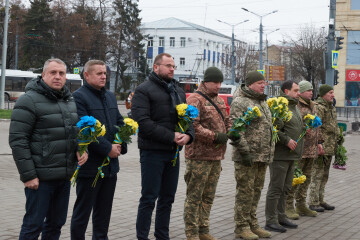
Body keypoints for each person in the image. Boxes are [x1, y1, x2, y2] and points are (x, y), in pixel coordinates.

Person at [9, 58, 88, 239]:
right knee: (33, 226)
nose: (57, 77)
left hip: (64, 177)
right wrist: (29, 175)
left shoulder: (69, 100)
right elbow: (18, 140)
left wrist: (81, 149)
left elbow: (73, 133)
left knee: (55, 225)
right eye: (53, 73)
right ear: (43, 75)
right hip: (40, 179)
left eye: (61, 73)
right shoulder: (28, 100)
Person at [131, 53, 194, 240]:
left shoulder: (178, 90)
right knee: (149, 198)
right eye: (168, 66)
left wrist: (189, 135)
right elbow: (142, 122)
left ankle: (162, 235)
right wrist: (171, 136)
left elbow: (188, 118)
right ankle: (142, 236)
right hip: (152, 152)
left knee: (168, 198)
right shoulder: (143, 90)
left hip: (173, 153)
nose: (172, 69)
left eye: (173, 66)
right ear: (156, 67)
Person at [70, 60, 127, 239]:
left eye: (105, 73)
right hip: (90, 167)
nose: (104, 76)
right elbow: (83, 129)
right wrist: (107, 148)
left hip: (110, 166)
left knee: (103, 213)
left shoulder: (109, 96)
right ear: (86, 75)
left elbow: (119, 122)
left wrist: (119, 145)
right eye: (99, 73)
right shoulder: (78, 97)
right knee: (83, 212)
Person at [183, 67, 232, 240]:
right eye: (215, 82)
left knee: (208, 196)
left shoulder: (218, 100)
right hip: (198, 157)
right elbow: (193, 126)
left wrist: (231, 131)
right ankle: (192, 233)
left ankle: (204, 230)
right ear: (205, 82)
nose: (218, 86)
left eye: (220, 82)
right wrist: (216, 136)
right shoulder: (195, 99)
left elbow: (226, 120)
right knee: (194, 197)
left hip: (216, 157)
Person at [230, 71, 274, 240]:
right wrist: (245, 151)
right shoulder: (241, 102)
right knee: (245, 192)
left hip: (262, 156)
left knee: (256, 191)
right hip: (246, 157)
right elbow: (235, 130)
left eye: (264, 82)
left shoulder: (262, 101)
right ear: (249, 84)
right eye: (259, 83)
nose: (263, 85)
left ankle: (252, 224)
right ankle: (241, 227)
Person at [265, 80, 304, 233]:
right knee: (276, 188)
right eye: (295, 90)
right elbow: (273, 129)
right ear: (286, 91)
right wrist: (286, 140)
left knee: (286, 188)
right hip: (280, 155)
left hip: (291, 155)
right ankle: (271, 220)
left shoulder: (294, 106)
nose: (298, 93)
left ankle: (281, 216)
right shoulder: (279, 106)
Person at [285, 80, 324, 220]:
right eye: (308, 90)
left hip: (311, 148)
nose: (311, 92)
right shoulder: (295, 105)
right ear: (300, 92)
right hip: (299, 149)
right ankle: (288, 205)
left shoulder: (313, 105)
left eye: (312, 90)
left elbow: (317, 125)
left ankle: (301, 204)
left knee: (306, 179)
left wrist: (319, 142)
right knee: (295, 179)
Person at [308, 84, 340, 212]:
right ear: (323, 94)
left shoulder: (331, 107)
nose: (332, 95)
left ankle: (321, 199)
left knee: (325, 175)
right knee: (317, 173)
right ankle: (313, 201)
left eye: (333, 92)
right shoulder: (319, 107)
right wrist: (318, 143)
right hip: (321, 146)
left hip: (330, 146)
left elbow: (333, 125)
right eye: (330, 93)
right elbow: (316, 127)